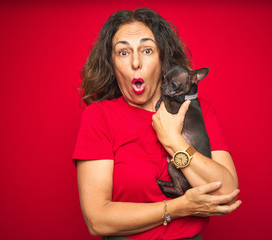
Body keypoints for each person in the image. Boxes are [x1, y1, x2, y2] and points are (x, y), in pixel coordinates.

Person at [73, 8, 241, 240]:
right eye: (123, 52)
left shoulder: (200, 111)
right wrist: (179, 207)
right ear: (112, 63)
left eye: (147, 50)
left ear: (163, 59)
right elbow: (97, 221)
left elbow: (228, 193)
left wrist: (173, 140)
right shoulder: (99, 117)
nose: (135, 62)